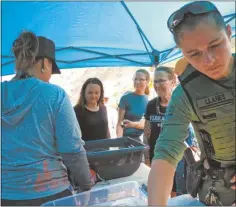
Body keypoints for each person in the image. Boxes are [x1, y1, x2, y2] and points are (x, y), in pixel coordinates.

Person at [148, 1, 235, 206]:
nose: (209, 60)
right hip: (218, 194)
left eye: (215, 45)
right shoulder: (185, 94)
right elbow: (166, 154)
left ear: (229, 33)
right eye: (194, 54)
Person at [1, 31, 93, 206]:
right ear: (44, 63)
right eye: (51, 68)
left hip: (6, 196)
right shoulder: (54, 94)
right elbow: (72, 149)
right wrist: (86, 185)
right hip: (52, 194)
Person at [143, 66, 198, 197]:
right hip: (159, 158)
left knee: (179, 193)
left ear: (173, 82)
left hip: (181, 159)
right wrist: (147, 158)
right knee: (162, 193)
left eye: (161, 80)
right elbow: (147, 134)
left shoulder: (183, 103)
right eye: (155, 81)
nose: (157, 85)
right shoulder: (151, 105)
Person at [116, 69, 150, 141]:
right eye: (135, 79)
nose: (137, 82)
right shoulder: (125, 98)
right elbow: (119, 124)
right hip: (124, 139)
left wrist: (132, 124)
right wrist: (119, 142)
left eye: (141, 79)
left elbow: (145, 125)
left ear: (147, 81)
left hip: (139, 141)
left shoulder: (149, 102)